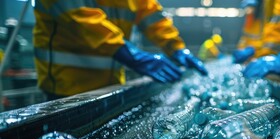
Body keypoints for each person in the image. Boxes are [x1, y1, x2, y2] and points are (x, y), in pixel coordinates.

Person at [33, 0, 208, 100]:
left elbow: (151, 14)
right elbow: (80, 17)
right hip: (65, 87)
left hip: (112, 85)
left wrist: (176, 47)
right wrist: (133, 55)